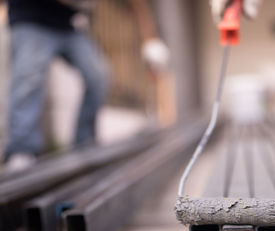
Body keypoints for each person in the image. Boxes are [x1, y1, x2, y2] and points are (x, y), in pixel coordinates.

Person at [3, 0, 168, 171]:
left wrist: (151, 39)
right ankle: (21, 151)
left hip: (67, 24)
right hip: (31, 19)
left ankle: (84, 145)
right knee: (28, 81)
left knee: (98, 77)